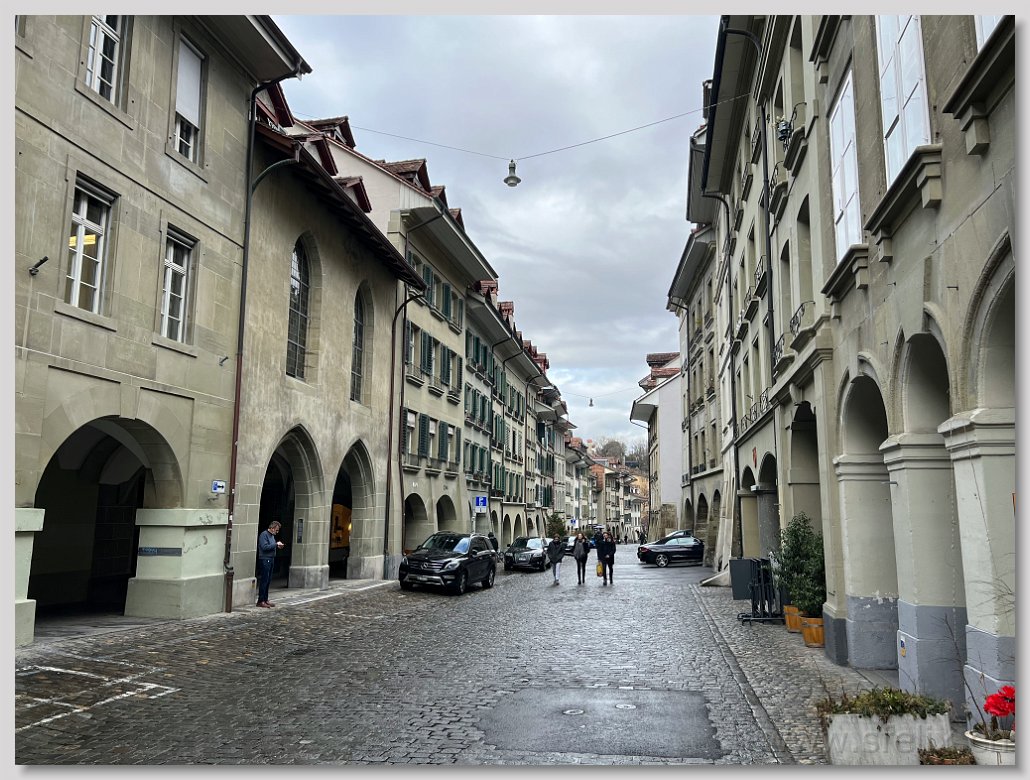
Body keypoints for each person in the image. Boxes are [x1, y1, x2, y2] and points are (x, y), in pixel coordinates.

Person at [257, 520, 285, 607]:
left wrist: (278, 546)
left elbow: (271, 546)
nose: (277, 532)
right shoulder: (264, 535)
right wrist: (276, 544)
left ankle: (265, 599)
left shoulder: (272, 536)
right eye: (276, 530)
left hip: (271, 558)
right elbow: (264, 547)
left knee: (268, 580)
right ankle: (261, 600)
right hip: (265, 559)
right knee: (264, 580)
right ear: (272, 528)